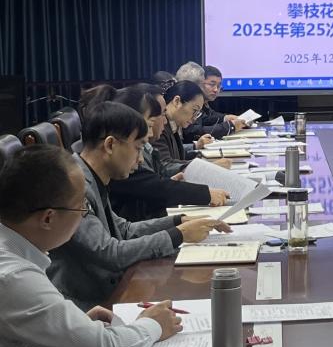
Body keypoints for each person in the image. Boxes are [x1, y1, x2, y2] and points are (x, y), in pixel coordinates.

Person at [0, 146, 182, 347]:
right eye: (81, 209)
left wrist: (71, 326)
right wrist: (152, 325)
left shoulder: (14, 249)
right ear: (48, 218)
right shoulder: (14, 277)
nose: (84, 215)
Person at [47, 102, 230, 310]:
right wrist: (178, 235)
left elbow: (124, 230)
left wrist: (178, 221)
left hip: (110, 290)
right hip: (86, 306)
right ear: (110, 145)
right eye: (138, 148)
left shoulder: (91, 175)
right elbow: (110, 254)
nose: (141, 159)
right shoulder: (74, 184)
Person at [106, 85, 229, 222]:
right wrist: (204, 193)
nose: (164, 121)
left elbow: (150, 191)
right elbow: (154, 186)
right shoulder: (120, 161)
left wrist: (179, 222)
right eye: (152, 121)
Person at [152, 80, 225, 175]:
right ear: (177, 101)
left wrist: (199, 154)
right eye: (194, 110)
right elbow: (165, 166)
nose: (195, 118)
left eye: (198, 113)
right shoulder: (159, 126)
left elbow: (176, 155)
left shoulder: (174, 123)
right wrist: (206, 166)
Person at [184, 65, 246, 141]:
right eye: (212, 84)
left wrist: (226, 118)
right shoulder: (190, 102)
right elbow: (193, 131)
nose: (216, 90)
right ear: (199, 84)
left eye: (219, 86)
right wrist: (230, 126)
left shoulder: (204, 103)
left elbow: (207, 117)